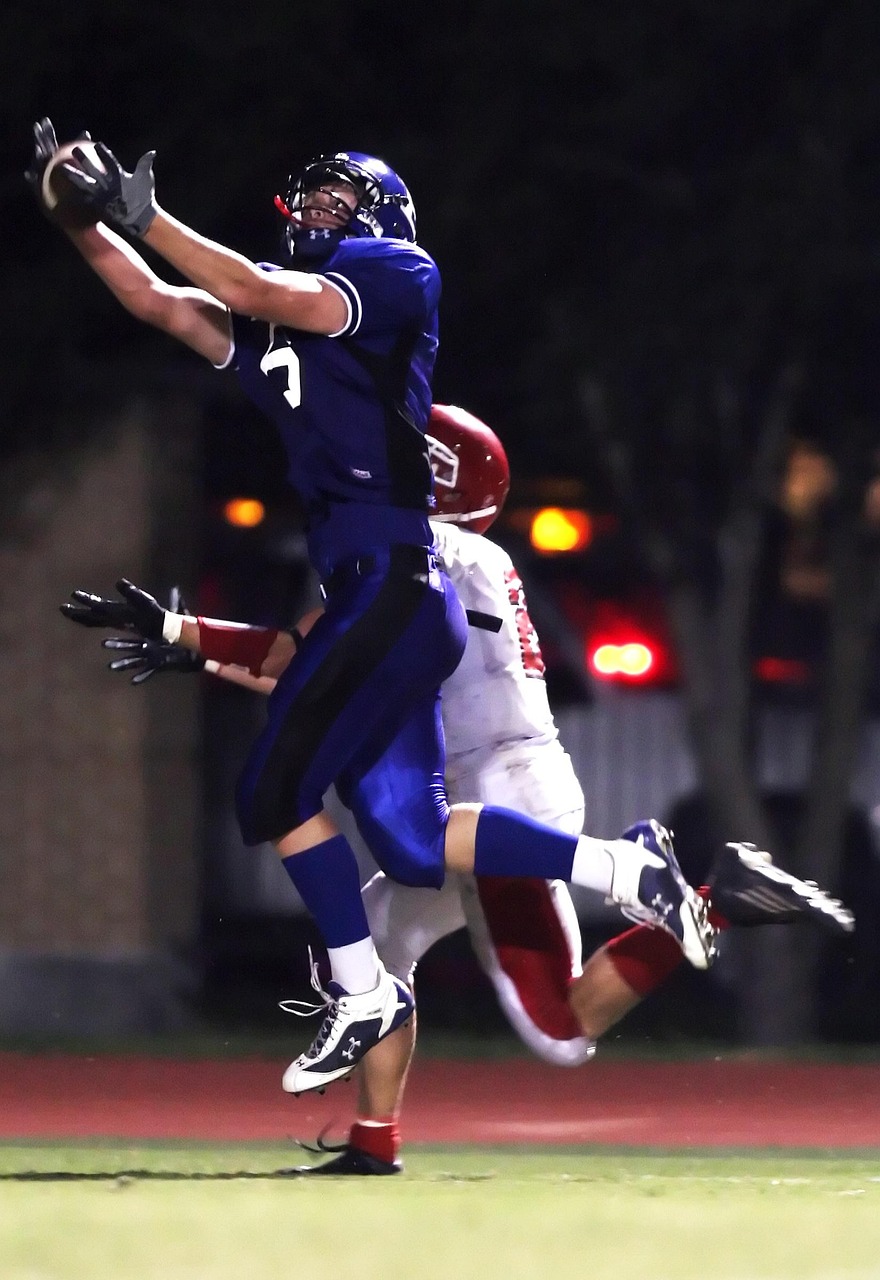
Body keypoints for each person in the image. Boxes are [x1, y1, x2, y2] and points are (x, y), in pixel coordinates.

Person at [35, 116, 716, 1098]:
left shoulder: (397, 271)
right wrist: (76, 219)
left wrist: (144, 213)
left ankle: (368, 990)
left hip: (392, 582)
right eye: (306, 198)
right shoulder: (285, 335)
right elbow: (160, 302)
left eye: (335, 198)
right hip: (378, 595)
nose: (314, 210)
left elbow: (251, 286)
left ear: (381, 215)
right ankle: (612, 875)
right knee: (402, 841)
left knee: (273, 792)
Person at [91, 405, 856, 1176]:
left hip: (490, 801)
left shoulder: (425, 551)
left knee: (487, 991)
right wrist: (190, 641)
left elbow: (313, 656)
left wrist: (191, 638)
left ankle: (653, 875)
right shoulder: (462, 552)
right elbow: (315, 657)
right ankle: (375, 1139)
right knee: (416, 972)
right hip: (509, 787)